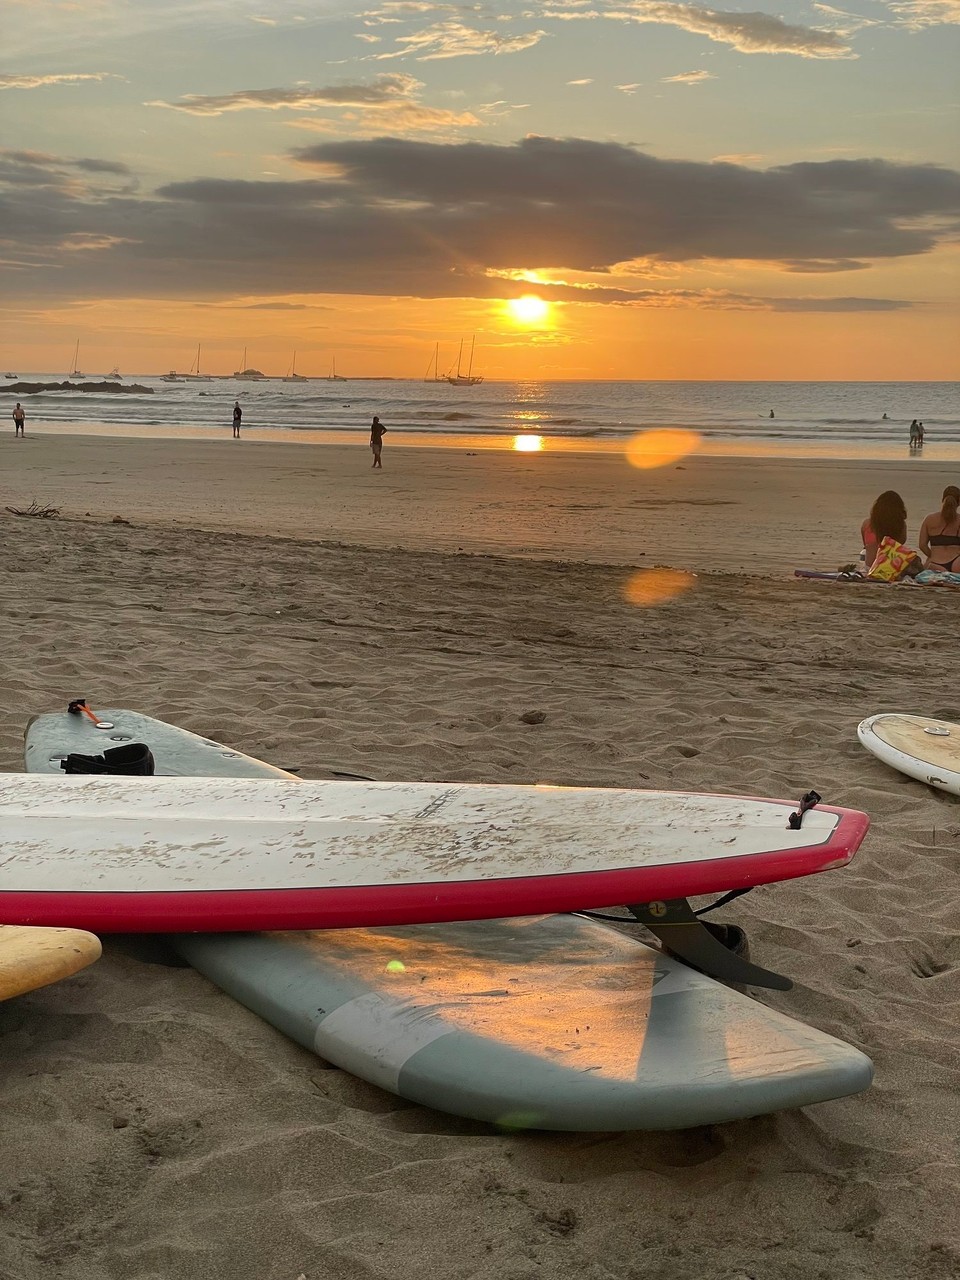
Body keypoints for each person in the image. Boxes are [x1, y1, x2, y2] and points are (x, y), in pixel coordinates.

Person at [861, 490, 907, 570]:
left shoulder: (866, 524)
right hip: (889, 568)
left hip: (869, 567)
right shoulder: (901, 526)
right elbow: (899, 546)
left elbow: (865, 545)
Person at [918, 486, 960, 573]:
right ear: (959, 502)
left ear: (942, 500)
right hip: (957, 563)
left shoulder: (929, 519)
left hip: (934, 563)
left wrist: (932, 555)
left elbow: (922, 545)